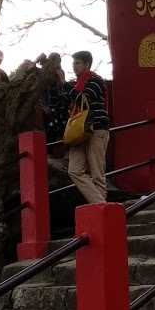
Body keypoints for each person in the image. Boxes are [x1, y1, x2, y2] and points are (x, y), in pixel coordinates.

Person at [55, 51, 110, 204]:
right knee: (74, 170)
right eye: (74, 63)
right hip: (79, 131)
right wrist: (61, 85)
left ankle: (101, 210)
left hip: (96, 128)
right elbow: (65, 102)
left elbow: (84, 99)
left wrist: (66, 84)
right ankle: (101, 205)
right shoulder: (78, 83)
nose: (75, 65)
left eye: (78, 62)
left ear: (87, 64)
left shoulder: (95, 80)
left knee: (97, 173)